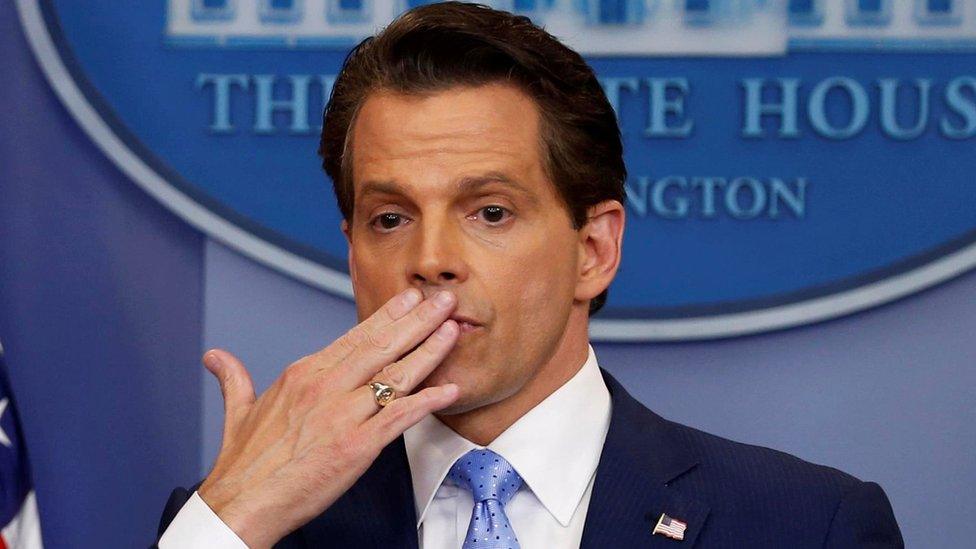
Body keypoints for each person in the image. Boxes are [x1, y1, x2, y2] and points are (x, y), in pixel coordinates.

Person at [155, 2, 904, 547]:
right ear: (352, 250)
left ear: (594, 249)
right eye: (391, 218)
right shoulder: (247, 523)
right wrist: (227, 523)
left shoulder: (806, 525)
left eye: (489, 211)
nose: (430, 258)